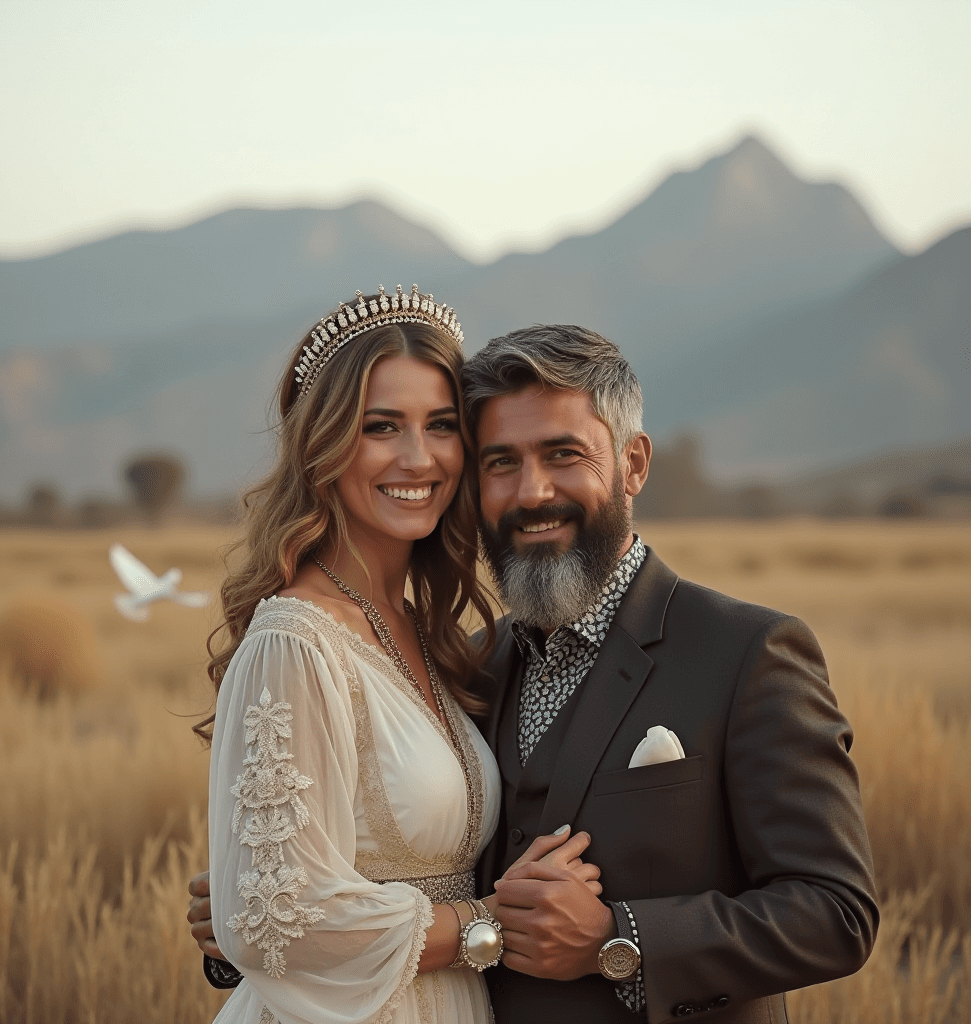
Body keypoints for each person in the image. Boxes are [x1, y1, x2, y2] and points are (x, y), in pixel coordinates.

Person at [192, 323, 878, 1024]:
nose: (533, 491)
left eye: (563, 454)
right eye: (500, 462)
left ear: (634, 463)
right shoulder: (465, 663)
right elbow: (380, 867)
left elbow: (836, 912)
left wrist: (622, 938)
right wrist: (259, 913)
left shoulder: (747, 652)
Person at [195, 287, 601, 1024]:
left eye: (442, 426)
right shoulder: (296, 640)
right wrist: (495, 924)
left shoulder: (426, 632)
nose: (419, 458)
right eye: (382, 426)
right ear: (324, 443)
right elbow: (276, 924)